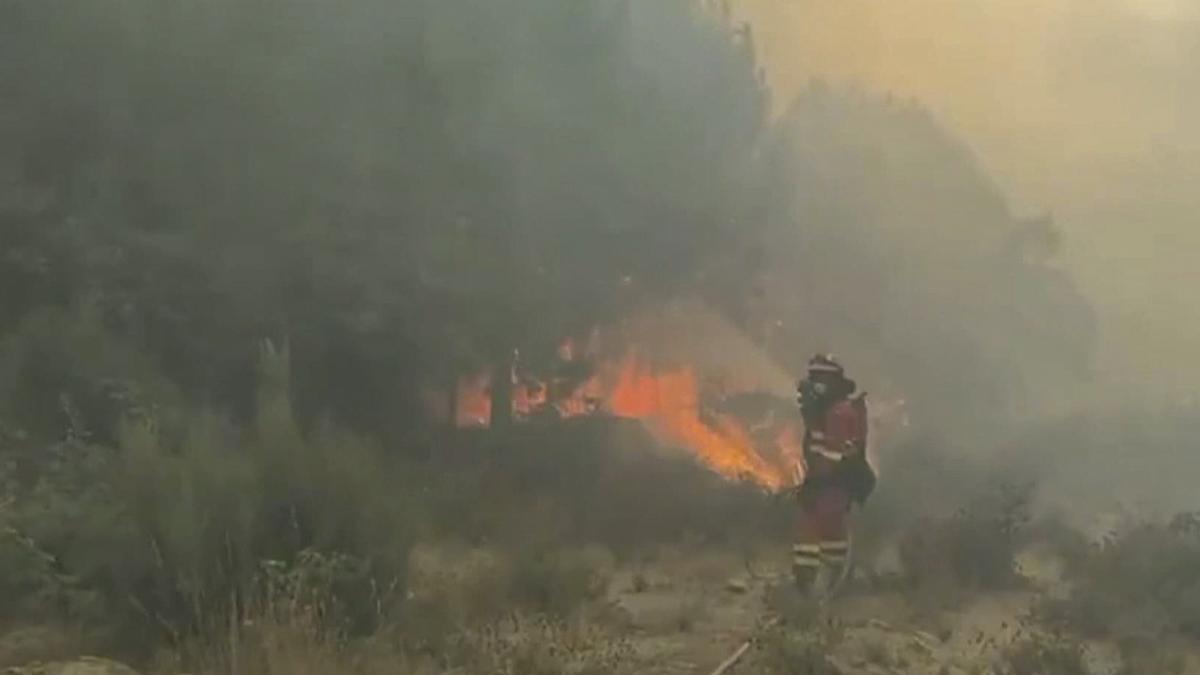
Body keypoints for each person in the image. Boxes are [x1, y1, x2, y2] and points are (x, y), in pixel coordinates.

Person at [792, 354, 875, 593]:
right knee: (831, 531)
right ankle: (833, 580)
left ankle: (808, 583)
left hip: (833, 481)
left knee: (812, 526)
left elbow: (836, 453)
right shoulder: (826, 412)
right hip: (831, 481)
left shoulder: (839, 413)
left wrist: (817, 483)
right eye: (812, 377)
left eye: (818, 379)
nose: (811, 385)